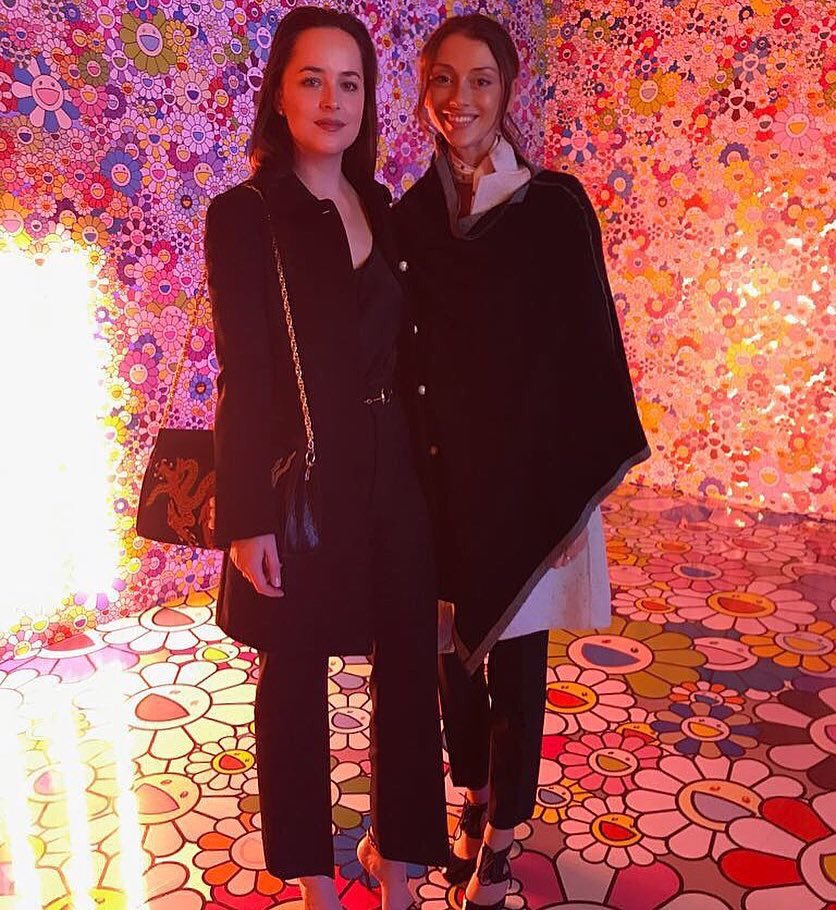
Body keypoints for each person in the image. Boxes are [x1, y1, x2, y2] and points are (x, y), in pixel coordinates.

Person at [393, 14, 650, 910]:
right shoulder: (412, 218)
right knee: (451, 659)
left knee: (518, 664)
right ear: (423, 91)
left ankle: (502, 838)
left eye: (480, 80)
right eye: (443, 80)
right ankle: (471, 799)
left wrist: (575, 494)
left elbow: (588, 351)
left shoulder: (554, 208)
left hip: (531, 479)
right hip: (442, 479)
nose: (459, 99)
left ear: (507, 90)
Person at [204, 8, 448, 909]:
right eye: (312, 78)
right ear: (279, 91)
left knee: (409, 665)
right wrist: (246, 520)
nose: (332, 100)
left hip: (393, 466)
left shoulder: (379, 203)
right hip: (299, 475)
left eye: (350, 82)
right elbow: (244, 373)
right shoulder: (245, 214)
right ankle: (312, 876)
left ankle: (401, 863)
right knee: (295, 670)